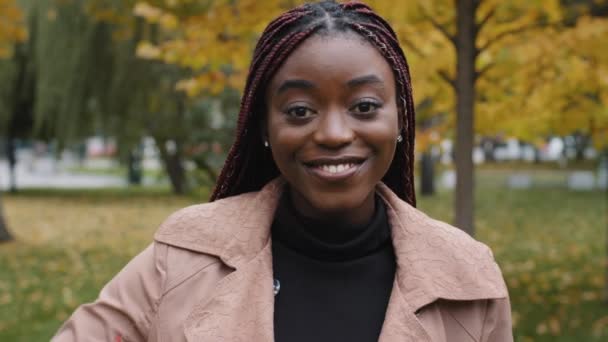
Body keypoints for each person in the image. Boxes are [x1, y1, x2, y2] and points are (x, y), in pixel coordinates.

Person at [53, 1, 512, 341]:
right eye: (299, 110)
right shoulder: (182, 260)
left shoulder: (468, 279)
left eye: (365, 106)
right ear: (265, 128)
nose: (333, 132)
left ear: (400, 120)